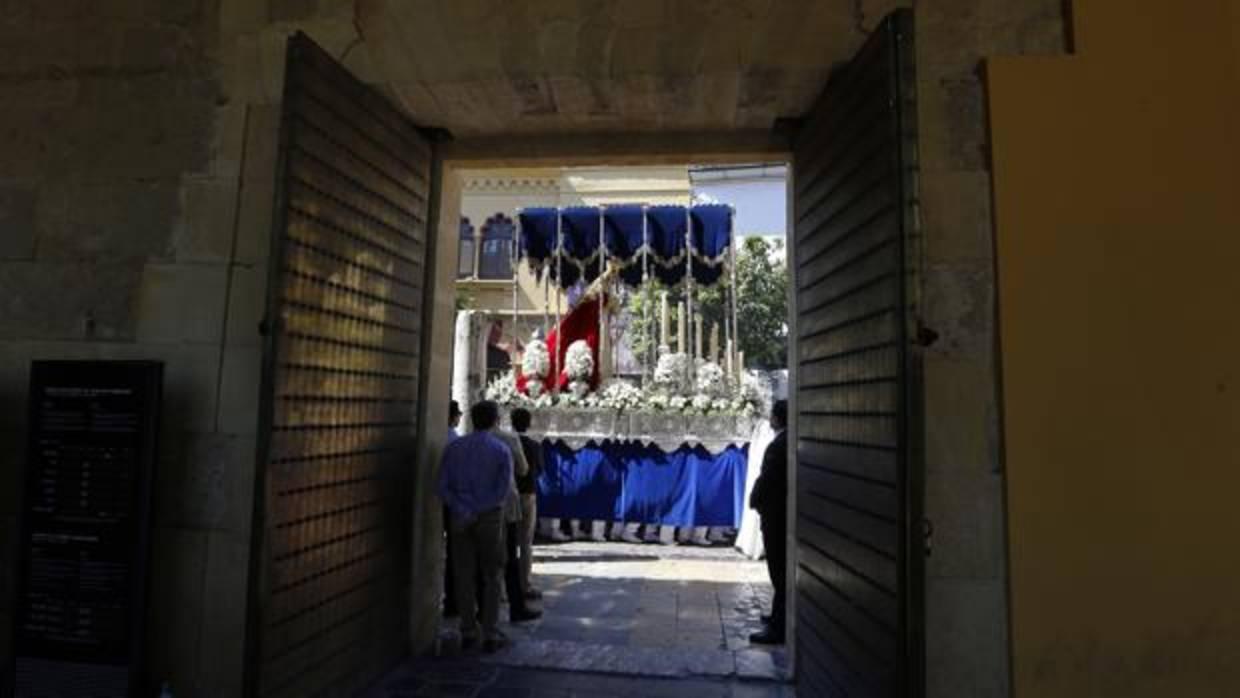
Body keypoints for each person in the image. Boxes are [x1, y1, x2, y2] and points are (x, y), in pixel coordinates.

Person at [438, 401, 515, 652]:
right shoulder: (501, 450)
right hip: (489, 518)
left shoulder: (455, 448)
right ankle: (490, 632)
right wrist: (481, 509)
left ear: (471, 419)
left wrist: (462, 508)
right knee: (492, 575)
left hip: (460, 517)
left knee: (463, 574)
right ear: (495, 420)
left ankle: (468, 629)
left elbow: (442, 485)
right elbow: (503, 490)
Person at [492, 417, 542, 623]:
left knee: (501, 545)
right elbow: (526, 469)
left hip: (497, 497)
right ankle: (524, 585)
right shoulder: (515, 441)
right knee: (524, 543)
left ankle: (501, 592)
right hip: (523, 493)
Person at [748, 399, 788, 645]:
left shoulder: (778, 446)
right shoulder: (786, 441)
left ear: (777, 418)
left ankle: (779, 626)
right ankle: (777, 617)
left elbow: (768, 478)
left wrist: (755, 500)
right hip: (780, 512)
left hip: (775, 515)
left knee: (779, 571)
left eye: (772, 415)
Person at [510, 408, 545, 598]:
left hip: (508, 495)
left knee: (506, 542)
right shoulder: (534, 445)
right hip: (527, 494)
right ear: (529, 423)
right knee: (525, 542)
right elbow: (539, 470)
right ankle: (525, 584)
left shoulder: (507, 442)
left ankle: (504, 588)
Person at [442, 399, 463, 617]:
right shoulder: (455, 442)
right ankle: (452, 600)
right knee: (455, 554)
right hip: (451, 504)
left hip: (441, 499)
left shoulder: (444, 437)